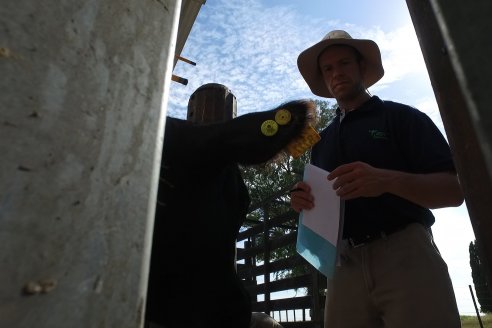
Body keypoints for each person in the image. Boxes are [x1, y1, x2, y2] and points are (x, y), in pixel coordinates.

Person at [290, 29, 465, 328]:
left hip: (406, 253)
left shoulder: (403, 118)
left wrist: (387, 180)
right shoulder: (320, 143)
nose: (336, 73)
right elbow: (323, 205)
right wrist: (303, 200)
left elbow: (455, 191)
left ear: (361, 67)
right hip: (343, 266)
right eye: (328, 68)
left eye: (344, 63)